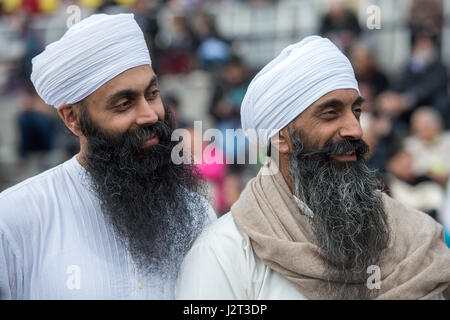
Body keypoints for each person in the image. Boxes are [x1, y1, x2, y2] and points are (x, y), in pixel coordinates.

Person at [176, 36, 450, 300]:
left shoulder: (414, 235)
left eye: (356, 111)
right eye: (331, 113)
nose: (356, 129)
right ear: (280, 136)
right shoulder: (224, 254)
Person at [0, 13, 216, 300]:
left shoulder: (197, 214)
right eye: (124, 104)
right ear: (73, 119)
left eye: (152, 94)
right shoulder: (16, 218)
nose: (150, 115)